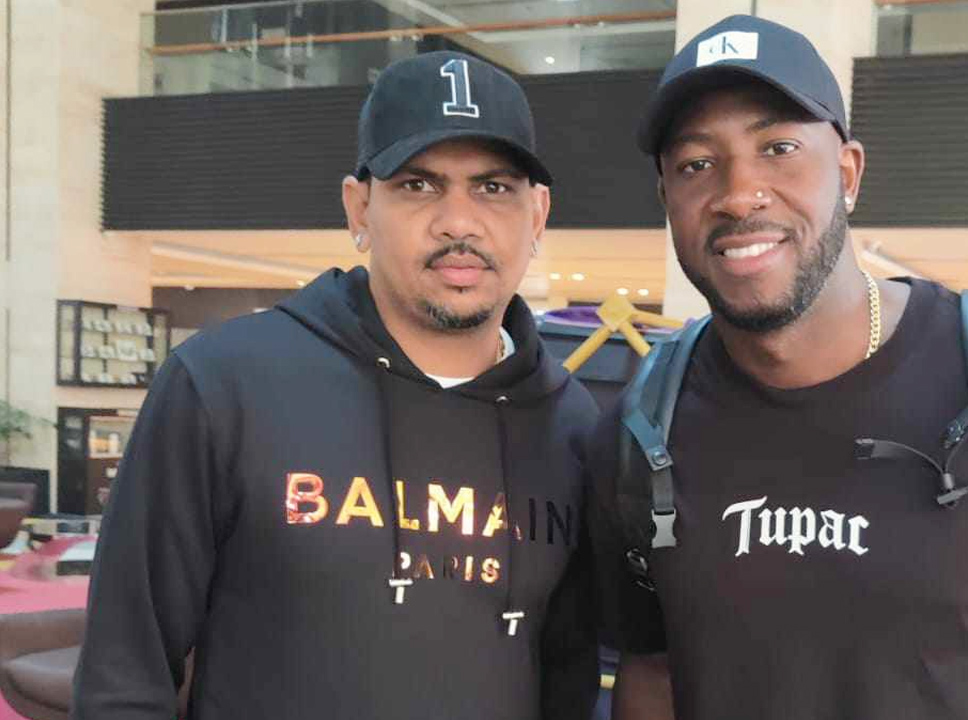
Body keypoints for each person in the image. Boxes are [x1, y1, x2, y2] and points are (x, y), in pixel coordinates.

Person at [587, 14, 968, 720]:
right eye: (696, 164)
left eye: (779, 147)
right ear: (667, 201)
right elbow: (653, 672)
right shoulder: (643, 425)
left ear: (848, 173)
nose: (738, 193)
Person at [72, 51, 599, 720]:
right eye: (419, 184)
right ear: (359, 208)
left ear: (538, 214)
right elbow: (123, 676)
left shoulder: (571, 424)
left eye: (493, 188)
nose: (459, 222)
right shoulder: (225, 384)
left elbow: (568, 681)